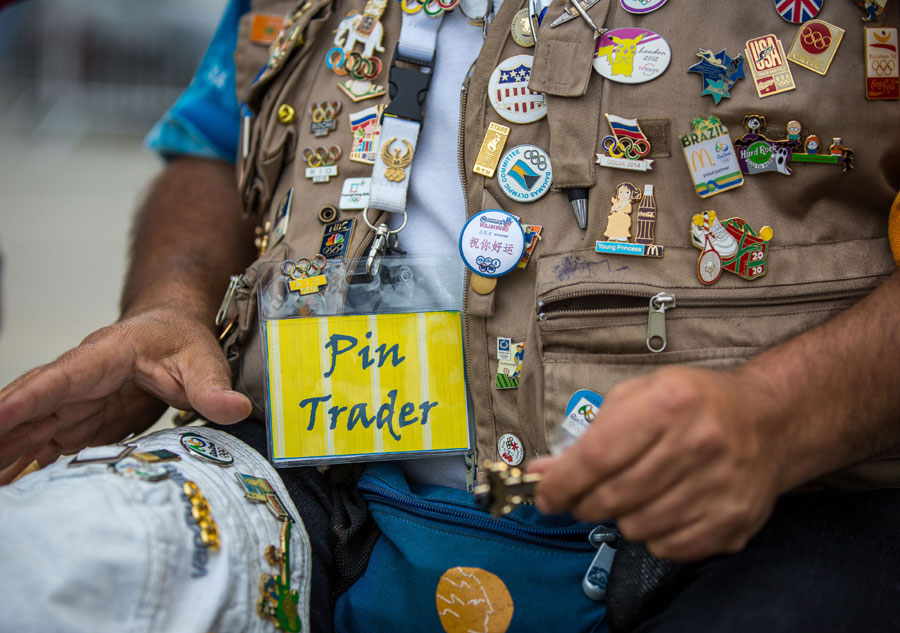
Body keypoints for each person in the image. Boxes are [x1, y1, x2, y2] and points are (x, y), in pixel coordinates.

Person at [2, 1, 900, 631]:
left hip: (778, 519)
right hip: (305, 492)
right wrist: (171, 304)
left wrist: (782, 418)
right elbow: (211, 141)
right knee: (42, 567)